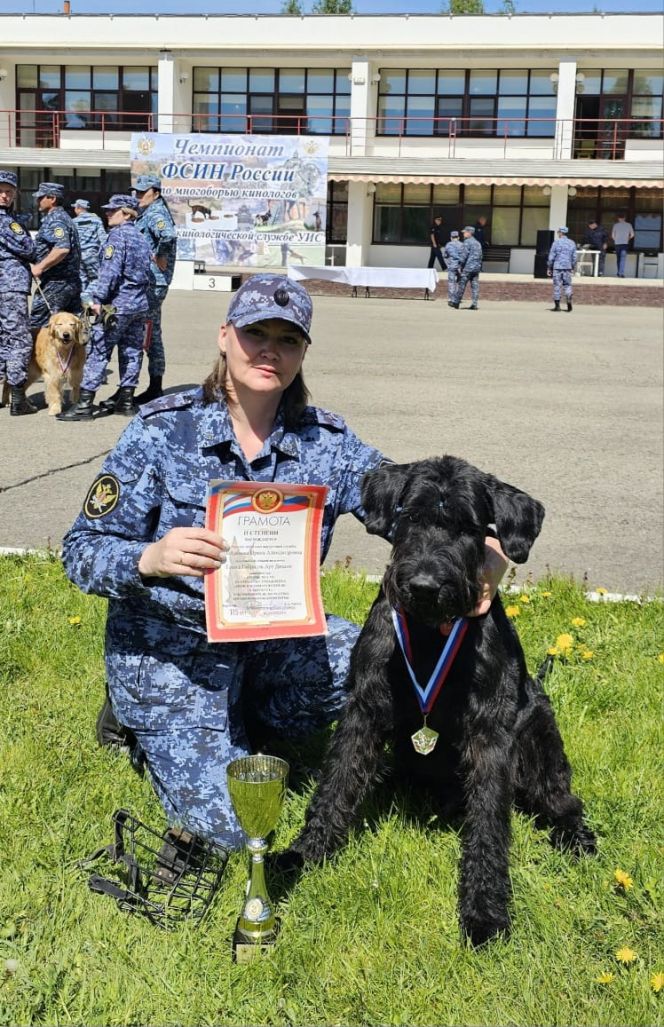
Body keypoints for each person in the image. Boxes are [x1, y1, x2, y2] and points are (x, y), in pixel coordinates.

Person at [61, 273, 508, 854]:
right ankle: (141, 718)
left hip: (271, 642)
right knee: (238, 830)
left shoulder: (327, 444)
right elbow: (81, 550)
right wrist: (151, 556)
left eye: (288, 339)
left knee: (384, 656)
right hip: (174, 652)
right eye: (256, 334)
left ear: (303, 352)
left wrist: (488, 559)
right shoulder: (159, 431)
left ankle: (251, 719)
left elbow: (420, 504)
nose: (270, 351)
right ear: (225, 336)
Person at [57, 195, 151, 421]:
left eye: (112, 210)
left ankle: (84, 405)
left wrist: (97, 299)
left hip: (117, 305)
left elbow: (110, 272)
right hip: (138, 304)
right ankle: (126, 401)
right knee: (131, 352)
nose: (107, 213)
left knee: (98, 352)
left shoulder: (117, 236)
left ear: (126, 214)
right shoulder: (141, 237)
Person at [134, 173, 177, 404]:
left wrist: (161, 256)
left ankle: (148, 386)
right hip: (152, 282)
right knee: (153, 333)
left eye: (143, 192)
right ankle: (155, 385)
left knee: (144, 332)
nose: (138, 196)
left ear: (156, 193)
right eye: (137, 192)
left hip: (153, 282)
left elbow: (168, 235)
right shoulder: (149, 212)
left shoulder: (155, 213)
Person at [0, 169, 38, 416]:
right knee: (19, 340)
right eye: (1, 191)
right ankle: (17, 398)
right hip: (10, 286)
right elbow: (29, 249)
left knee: (3, 338)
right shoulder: (8, 222)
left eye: (8, 192)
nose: (4, 196)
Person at [29, 182, 81, 328]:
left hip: (57, 283)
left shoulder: (56, 219)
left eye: (41, 197)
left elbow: (62, 248)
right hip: (67, 283)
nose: (38, 201)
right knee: (69, 328)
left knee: (39, 326)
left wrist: (40, 267)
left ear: (52, 199)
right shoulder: (62, 217)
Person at [71, 198, 107, 302]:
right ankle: (87, 297)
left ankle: (82, 300)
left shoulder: (73, 222)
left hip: (78, 255)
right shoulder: (96, 220)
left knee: (81, 279)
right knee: (96, 278)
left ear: (78, 208)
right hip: (92, 254)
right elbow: (103, 238)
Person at [451, 226, 483, 310]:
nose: (463, 234)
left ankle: (456, 302)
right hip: (476, 268)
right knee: (475, 286)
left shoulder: (467, 242)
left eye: (465, 232)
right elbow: (481, 256)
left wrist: (459, 266)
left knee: (461, 284)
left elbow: (464, 256)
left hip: (468, 267)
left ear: (469, 233)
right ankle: (474, 304)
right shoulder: (477, 243)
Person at [547, 226, 577, 312]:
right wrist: (573, 266)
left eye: (558, 232)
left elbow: (551, 256)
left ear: (560, 233)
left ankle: (557, 306)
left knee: (557, 285)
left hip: (557, 267)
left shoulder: (556, 242)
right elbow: (574, 257)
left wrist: (549, 267)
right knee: (567, 285)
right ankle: (568, 299)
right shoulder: (572, 243)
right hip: (567, 267)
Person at [442, 230, 464, 307]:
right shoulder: (462, 245)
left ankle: (451, 299)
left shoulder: (448, 245)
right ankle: (457, 299)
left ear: (451, 237)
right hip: (460, 266)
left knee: (451, 282)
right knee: (459, 282)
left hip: (452, 266)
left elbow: (445, 255)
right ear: (458, 237)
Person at [610, 213, 634, 278]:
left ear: (618, 219)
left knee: (618, 258)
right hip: (625, 244)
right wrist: (628, 239)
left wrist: (616, 240)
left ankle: (619, 272)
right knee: (623, 258)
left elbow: (612, 235)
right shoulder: (629, 225)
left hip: (617, 244)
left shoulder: (615, 225)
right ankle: (621, 273)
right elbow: (632, 235)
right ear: (624, 218)